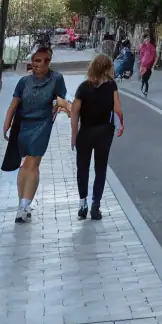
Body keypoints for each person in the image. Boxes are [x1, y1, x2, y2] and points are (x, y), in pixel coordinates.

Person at [2, 45, 69, 223]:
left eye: (46, 61)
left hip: (43, 124)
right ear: (32, 62)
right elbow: (14, 104)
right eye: (38, 60)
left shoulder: (56, 79)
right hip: (24, 125)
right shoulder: (24, 82)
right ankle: (23, 204)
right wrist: (7, 124)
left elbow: (60, 99)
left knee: (32, 162)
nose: (42, 64)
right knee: (26, 165)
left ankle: (23, 207)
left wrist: (63, 106)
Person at [71, 52, 124, 220]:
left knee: (82, 168)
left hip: (85, 132)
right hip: (104, 132)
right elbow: (117, 109)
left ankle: (82, 204)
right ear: (108, 69)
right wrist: (120, 125)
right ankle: (96, 205)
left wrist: (74, 135)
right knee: (100, 168)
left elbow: (74, 112)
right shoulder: (111, 86)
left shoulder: (83, 87)